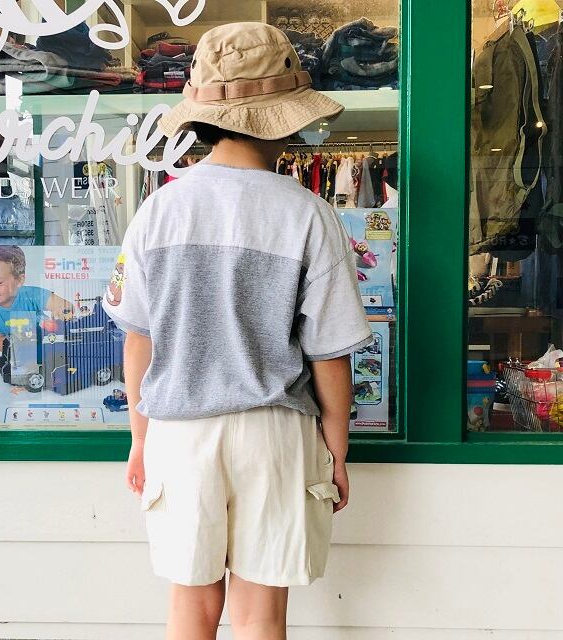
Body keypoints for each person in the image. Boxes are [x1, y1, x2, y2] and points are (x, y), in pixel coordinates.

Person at [102, 22, 373, 640]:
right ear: (285, 118)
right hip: (273, 433)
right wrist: (336, 450)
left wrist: (140, 438)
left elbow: (137, 339)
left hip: (179, 431)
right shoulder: (309, 213)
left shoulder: (158, 210)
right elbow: (330, 355)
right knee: (260, 613)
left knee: (191, 607)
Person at [0, 245, 73, 353]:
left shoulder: (31, 294)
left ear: (19, 280)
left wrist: (61, 312)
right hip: (20, 353)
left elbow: (65, 306)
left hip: (50, 345)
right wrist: (19, 349)